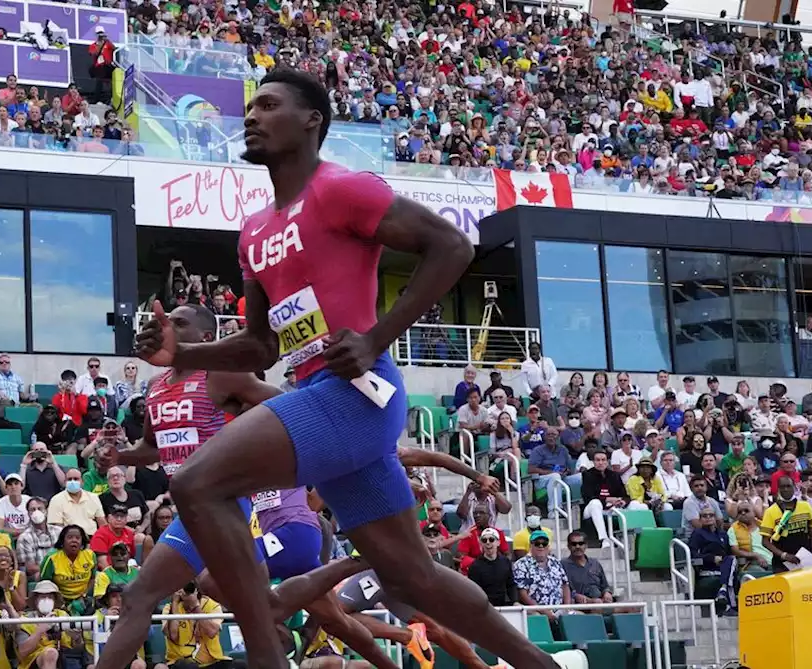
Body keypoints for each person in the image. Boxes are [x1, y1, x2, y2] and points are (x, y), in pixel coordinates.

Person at [134, 67, 562, 669]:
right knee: (412, 579)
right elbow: (260, 347)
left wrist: (376, 335)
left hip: (356, 396)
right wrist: (184, 356)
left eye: (268, 105)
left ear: (312, 121)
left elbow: (453, 246)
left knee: (197, 481)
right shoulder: (253, 231)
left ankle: (266, 657)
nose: (251, 116)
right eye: (249, 107)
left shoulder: (339, 189)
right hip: (319, 398)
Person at [101, 303, 400, 669]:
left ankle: (355, 568)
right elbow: (151, 448)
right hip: (196, 511)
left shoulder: (222, 375)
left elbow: (293, 410)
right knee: (260, 614)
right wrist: (120, 457)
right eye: (168, 323)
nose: (170, 328)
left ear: (205, 338)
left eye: (180, 323)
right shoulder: (155, 387)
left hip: (221, 507)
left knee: (141, 597)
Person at [759, 477, 812, 573]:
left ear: (794, 488)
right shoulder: (771, 511)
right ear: (778, 489)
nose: (786, 489)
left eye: (788, 486)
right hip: (782, 563)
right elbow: (765, 541)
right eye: (782, 487)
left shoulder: (805, 506)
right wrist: (784, 555)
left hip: (806, 559)